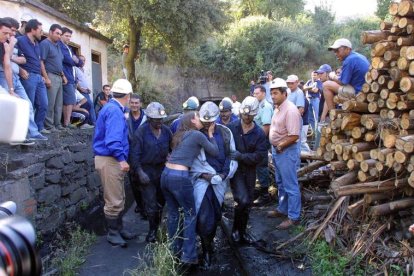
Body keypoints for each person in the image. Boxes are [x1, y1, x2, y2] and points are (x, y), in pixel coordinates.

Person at [161, 111, 219, 268]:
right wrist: (211, 134)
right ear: (193, 120)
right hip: (179, 176)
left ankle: (174, 252)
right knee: (190, 215)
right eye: (198, 116)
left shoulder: (179, 135)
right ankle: (189, 256)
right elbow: (214, 151)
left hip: (165, 175)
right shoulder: (197, 135)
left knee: (173, 214)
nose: (201, 119)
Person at [191, 101, 237, 269]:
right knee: (203, 216)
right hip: (201, 181)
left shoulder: (225, 132)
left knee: (215, 214)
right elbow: (193, 161)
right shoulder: (196, 134)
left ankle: (209, 243)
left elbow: (231, 155)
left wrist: (224, 174)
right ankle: (206, 251)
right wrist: (204, 175)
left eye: (211, 121)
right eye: (205, 122)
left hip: (219, 180)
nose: (208, 124)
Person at [93, 79, 135, 247]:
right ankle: (113, 233)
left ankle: (119, 228)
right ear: (128, 95)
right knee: (113, 199)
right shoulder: (115, 112)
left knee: (119, 195)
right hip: (110, 159)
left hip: (110, 159)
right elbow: (112, 141)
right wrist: (122, 159)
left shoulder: (112, 108)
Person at [227, 96, 267, 244]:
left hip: (249, 171)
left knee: (247, 203)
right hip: (236, 170)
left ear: (255, 114)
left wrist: (242, 156)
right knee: (242, 200)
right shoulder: (232, 128)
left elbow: (260, 156)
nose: (246, 117)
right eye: (244, 114)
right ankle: (235, 231)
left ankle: (241, 233)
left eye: (249, 115)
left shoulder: (259, 133)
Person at [130, 102, 172, 243]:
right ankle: (152, 230)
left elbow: (173, 148)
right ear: (149, 119)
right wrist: (140, 173)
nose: (159, 122)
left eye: (161, 119)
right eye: (156, 120)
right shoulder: (140, 133)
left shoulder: (166, 131)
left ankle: (158, 225)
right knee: (151, 204)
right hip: (146, 170)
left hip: (162, 170)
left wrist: (170, 159)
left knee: (161, 201)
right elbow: (134, 156)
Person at [267, 78, 302, 229]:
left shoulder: (291, 110)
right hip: (278, 150)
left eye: (275, 93)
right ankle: (283, 208)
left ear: (284, 93)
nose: (273, 96)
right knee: (280, 182)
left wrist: (280, 144)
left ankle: (294, 217)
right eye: (271, 93)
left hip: (286, 151)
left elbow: (294, 135)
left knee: (290, 185)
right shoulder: (278, 107)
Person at [320, 38, 369, 123]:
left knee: (326, 85)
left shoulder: (349, 60)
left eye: (337, 50)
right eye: (334, 51)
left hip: (358, 92)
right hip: (365, 89)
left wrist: (332, 76)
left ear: (347, 49)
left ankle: (333, 114)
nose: (336, 53)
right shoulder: (359, 56)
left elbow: (343, 82)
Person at [17, 19, 49, 134]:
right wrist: (20, 69)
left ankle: (38, 128)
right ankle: (26, 131)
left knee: (44, 104)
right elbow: (11, 56)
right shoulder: (19, 40)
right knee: (28, 104)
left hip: (39, 78)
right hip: (28, 76)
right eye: (40, 30)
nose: (42, 33)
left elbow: (39, 62)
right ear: (32, 30)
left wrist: (43, 76)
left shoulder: (37, 45)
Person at [40, 23, 67, 131]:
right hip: (50, 75)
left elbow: (58, 62)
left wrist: (63, 75)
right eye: (57, 33)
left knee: (59, 103)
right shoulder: (45, 44)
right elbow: (41, 61)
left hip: (59, 76)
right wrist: (46, 78)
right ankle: (49, 126)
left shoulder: (57, 45)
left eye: (60, 34)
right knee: (50, 103)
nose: (59, 36)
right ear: (50, 32)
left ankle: (57, 124)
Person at [126, 94, 147, 217]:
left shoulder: (146, 117)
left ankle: (146, 206)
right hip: (130, 153)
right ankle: (139, 205)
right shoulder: (125, 117)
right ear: (129, 104)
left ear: (140, 104)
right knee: (133, 181)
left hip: (144, 153)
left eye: (136, 103)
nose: (134, 105)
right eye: (132, 103)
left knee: (144, 180)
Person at [252, 85, 273, 205]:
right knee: (256, 167)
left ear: (264, 93)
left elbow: (266, 127)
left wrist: (258, 142)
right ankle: (258, 192)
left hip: (261, 141)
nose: (255, 95)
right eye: (254, 93)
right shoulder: (257, 106)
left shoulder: (266, 107)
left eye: (257, 93)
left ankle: (265, 196)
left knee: (261, 167)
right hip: (256, 141)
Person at [60, 27, 83, 128]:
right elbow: (69, 60)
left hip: (71, 77)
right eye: (66, 36)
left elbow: (80, 62)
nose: (69, 38)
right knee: (68, 101)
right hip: (66, 76)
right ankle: (66, 122)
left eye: (70, 36)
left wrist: (76, 60)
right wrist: (75, 60)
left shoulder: (69, 48)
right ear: (61, 35)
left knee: (69, 101)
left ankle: (67, 122)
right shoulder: (60, 46)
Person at [314, 64, 332, 150]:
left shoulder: (329, 85)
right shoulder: (324, 85)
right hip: (323, 116)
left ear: (328, 73)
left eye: (321, 73)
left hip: (326, 118)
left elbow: (327, 102)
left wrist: (323, 117)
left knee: (322, 142)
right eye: (318, 74)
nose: (319, 75)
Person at [76, 55, 96, 125]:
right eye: (81, 60)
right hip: (80, 91)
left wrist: (88, 89)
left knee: (89, 105)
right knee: (89, 105)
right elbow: (76, 80)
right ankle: (92, 122)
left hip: (86, 91)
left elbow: (83, 81)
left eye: (84, 60)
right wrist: (80, 89)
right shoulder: (76, 69)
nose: (83, 62)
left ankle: (90, 121)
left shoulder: (84, 70)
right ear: (78, 61)